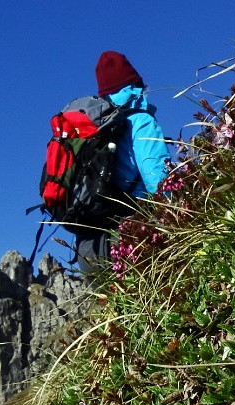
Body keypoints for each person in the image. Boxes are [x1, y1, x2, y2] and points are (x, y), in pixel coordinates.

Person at [73, 50, 173, 268]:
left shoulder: (95, 130)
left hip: (88, 249)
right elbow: (160, 184)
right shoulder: (141, 121)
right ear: (135, 84)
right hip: (131, 239)